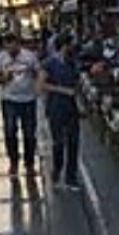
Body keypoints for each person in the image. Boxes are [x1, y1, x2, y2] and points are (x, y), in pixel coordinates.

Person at [0, 33, 40, 177]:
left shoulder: (29, 57)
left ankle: (29, 163)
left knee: (30, 133)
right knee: (10, 132)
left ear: (18, 44)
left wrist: (36, 82)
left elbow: (39, 73)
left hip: (28, 100)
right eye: (8, 45)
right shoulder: (0, 58)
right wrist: (4, 78)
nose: (11, 48)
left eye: (14, 45)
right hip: (9, 100)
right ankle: (13, 162)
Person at [39, 34, 81, 191]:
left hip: (71, 107)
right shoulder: (49, 64)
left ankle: (71, 176)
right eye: (71, 45)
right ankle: (56, 171)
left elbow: (76, 82)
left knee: (73, 142)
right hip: (56, 106)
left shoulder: (72, 63)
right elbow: (40, 85)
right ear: (64, 46)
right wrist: (62, 90)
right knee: (58, 142)